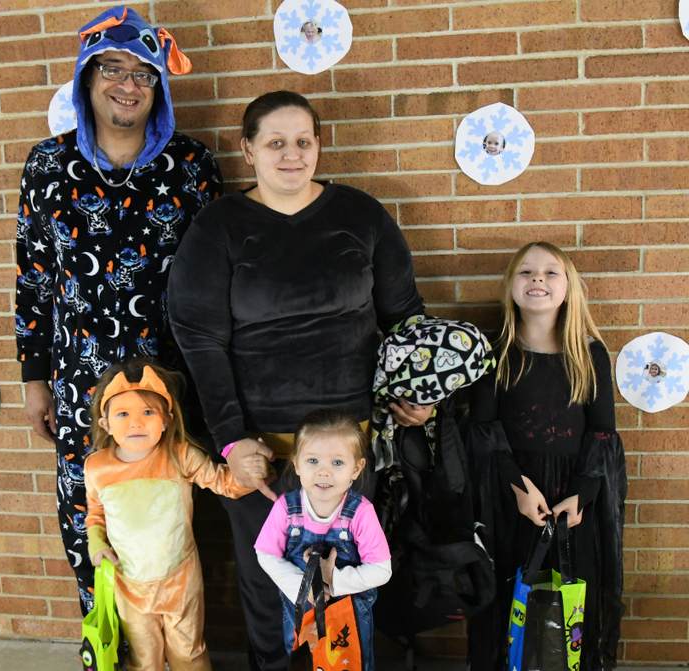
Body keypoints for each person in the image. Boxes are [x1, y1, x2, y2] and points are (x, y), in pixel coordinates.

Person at [168, 90, 431, 671]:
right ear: (248, 150)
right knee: (272, 592)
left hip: (347, 451)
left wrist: (417, 393)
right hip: (260, 454)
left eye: (303, 142)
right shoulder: (220, 227)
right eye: (275, 143)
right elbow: (199, 339)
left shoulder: (359, 216)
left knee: (347, 587)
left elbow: (404, 316)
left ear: (319, 145)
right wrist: (233, 441)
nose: (292, 155)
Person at [14, 5, 223, 613]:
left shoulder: (192, 167)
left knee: (169, 526)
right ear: (87, 77)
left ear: (157, 88)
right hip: (81, 386)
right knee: (92, 528)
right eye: (112, 69)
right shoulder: (47, 166)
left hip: (169, 386)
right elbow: (32, 280)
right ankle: (108, 646)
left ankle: (174, 643)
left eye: (143, 74)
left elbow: (216, 279)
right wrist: (34, 380)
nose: (127, 85)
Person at [467, 242, 626, 671]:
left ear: (569, 287)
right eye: (526, 272)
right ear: (511, 286)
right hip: (513, 497)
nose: (537, 279)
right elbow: (485, 432)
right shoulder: (493, 352)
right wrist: (518, 487)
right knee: (511, 595)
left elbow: (602, 432)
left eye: (550, 272)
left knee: (572, 601)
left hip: (573, 500)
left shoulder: (589, 353)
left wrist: (582, 493)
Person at [85, 361, 265, 670]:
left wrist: (253, 470)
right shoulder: (97, 468)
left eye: (147, 413)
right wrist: (96, 544)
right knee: (144, 657)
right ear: (105, 423)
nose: (135, 423)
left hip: (179, 579)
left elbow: (222, 481)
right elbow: (95, 516)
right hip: (130, 584)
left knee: (188, 652)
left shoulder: (180, 456)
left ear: (167, 420)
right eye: (123, 414)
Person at [255, 409, 391, 670]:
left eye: (337, 463)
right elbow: (266, 554)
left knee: (349, 664)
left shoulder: (360, 513)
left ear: (357, 468)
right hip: (301, 611)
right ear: (296, 463)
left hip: (347, 612)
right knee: (304, 663)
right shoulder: (286, 508)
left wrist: (332, 582)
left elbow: (381, 570)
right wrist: (304, 588)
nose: (324, 472)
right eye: (313, 461)